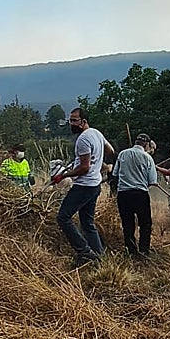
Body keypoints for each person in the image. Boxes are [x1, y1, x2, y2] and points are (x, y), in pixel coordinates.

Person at [52, 107, 115, 266]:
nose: (71, 123)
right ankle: (100, 258)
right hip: (95, 185)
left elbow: (84, 168)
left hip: (84, 186)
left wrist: (63, 176)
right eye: (70, 120)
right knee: (87, 223)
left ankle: (84, 252)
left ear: (84, 121)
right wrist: (98, 163)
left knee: (63, 217)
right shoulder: (96, 133)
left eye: (75, 121)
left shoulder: (83, 140)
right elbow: (110, 150)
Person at [114, 133, 160, 258]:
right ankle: (144, 250)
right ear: (146, 145)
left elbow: (115, 173)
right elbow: (152, 181)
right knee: (145, 224)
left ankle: (131, 251)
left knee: (127, 224)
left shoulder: (122, 154)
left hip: (123, 193)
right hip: (140, 194)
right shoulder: (147, 158)